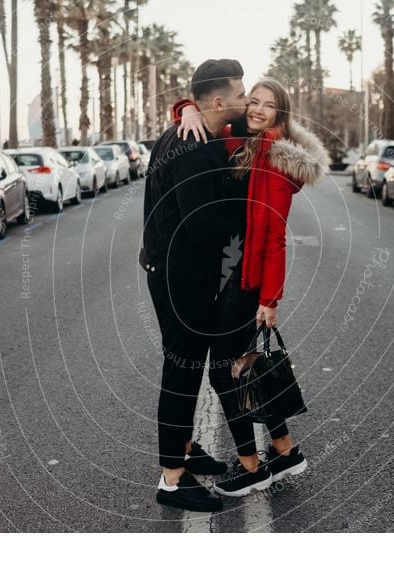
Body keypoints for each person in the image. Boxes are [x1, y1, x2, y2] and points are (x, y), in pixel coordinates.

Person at [174, 79, 329, 497]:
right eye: (253, 102)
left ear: (282, 113)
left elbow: (276, 236)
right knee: (245, 365)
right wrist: (187, 107)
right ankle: (285, 450)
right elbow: (207, 118)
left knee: (226, 372)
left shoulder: (276, 158)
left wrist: (269, 299)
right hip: (232, 268)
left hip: (248, 280)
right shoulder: (243, 140)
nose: (257, 110)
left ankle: (251, 466)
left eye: (268, 106)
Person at [140, 59, 248, 512]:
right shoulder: (195, 146)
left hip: (171, 269)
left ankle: (184, 449)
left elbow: (261, 116)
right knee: (182, 370)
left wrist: (185, 107)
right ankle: (172, 479)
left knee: (187, 366)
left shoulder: (186, 130)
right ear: (220, 100)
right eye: (239, 95)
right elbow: (203, 225)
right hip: (181, 277)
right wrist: (253, 212)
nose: (244, 103)